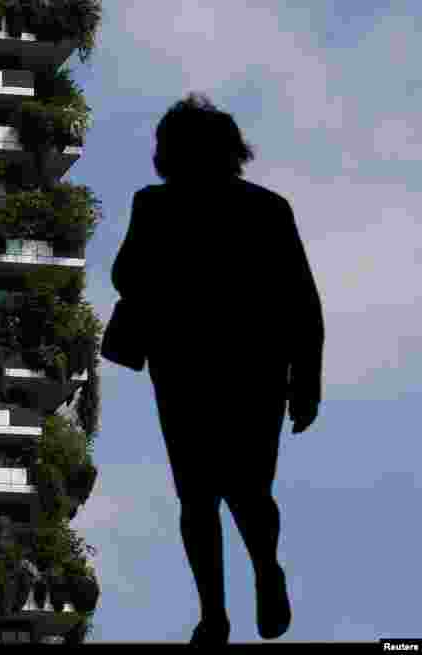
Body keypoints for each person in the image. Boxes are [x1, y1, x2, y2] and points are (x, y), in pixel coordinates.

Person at [110, 93, 324, 645]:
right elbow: (304, 308)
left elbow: (124, 276)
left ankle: (237, 596)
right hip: (226, 371)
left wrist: (306, 383)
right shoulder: (253, 208)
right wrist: (305, 385)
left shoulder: (172, 206)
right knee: (226, 493)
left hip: (210, 370)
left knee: (218, 495)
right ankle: (241, 592)